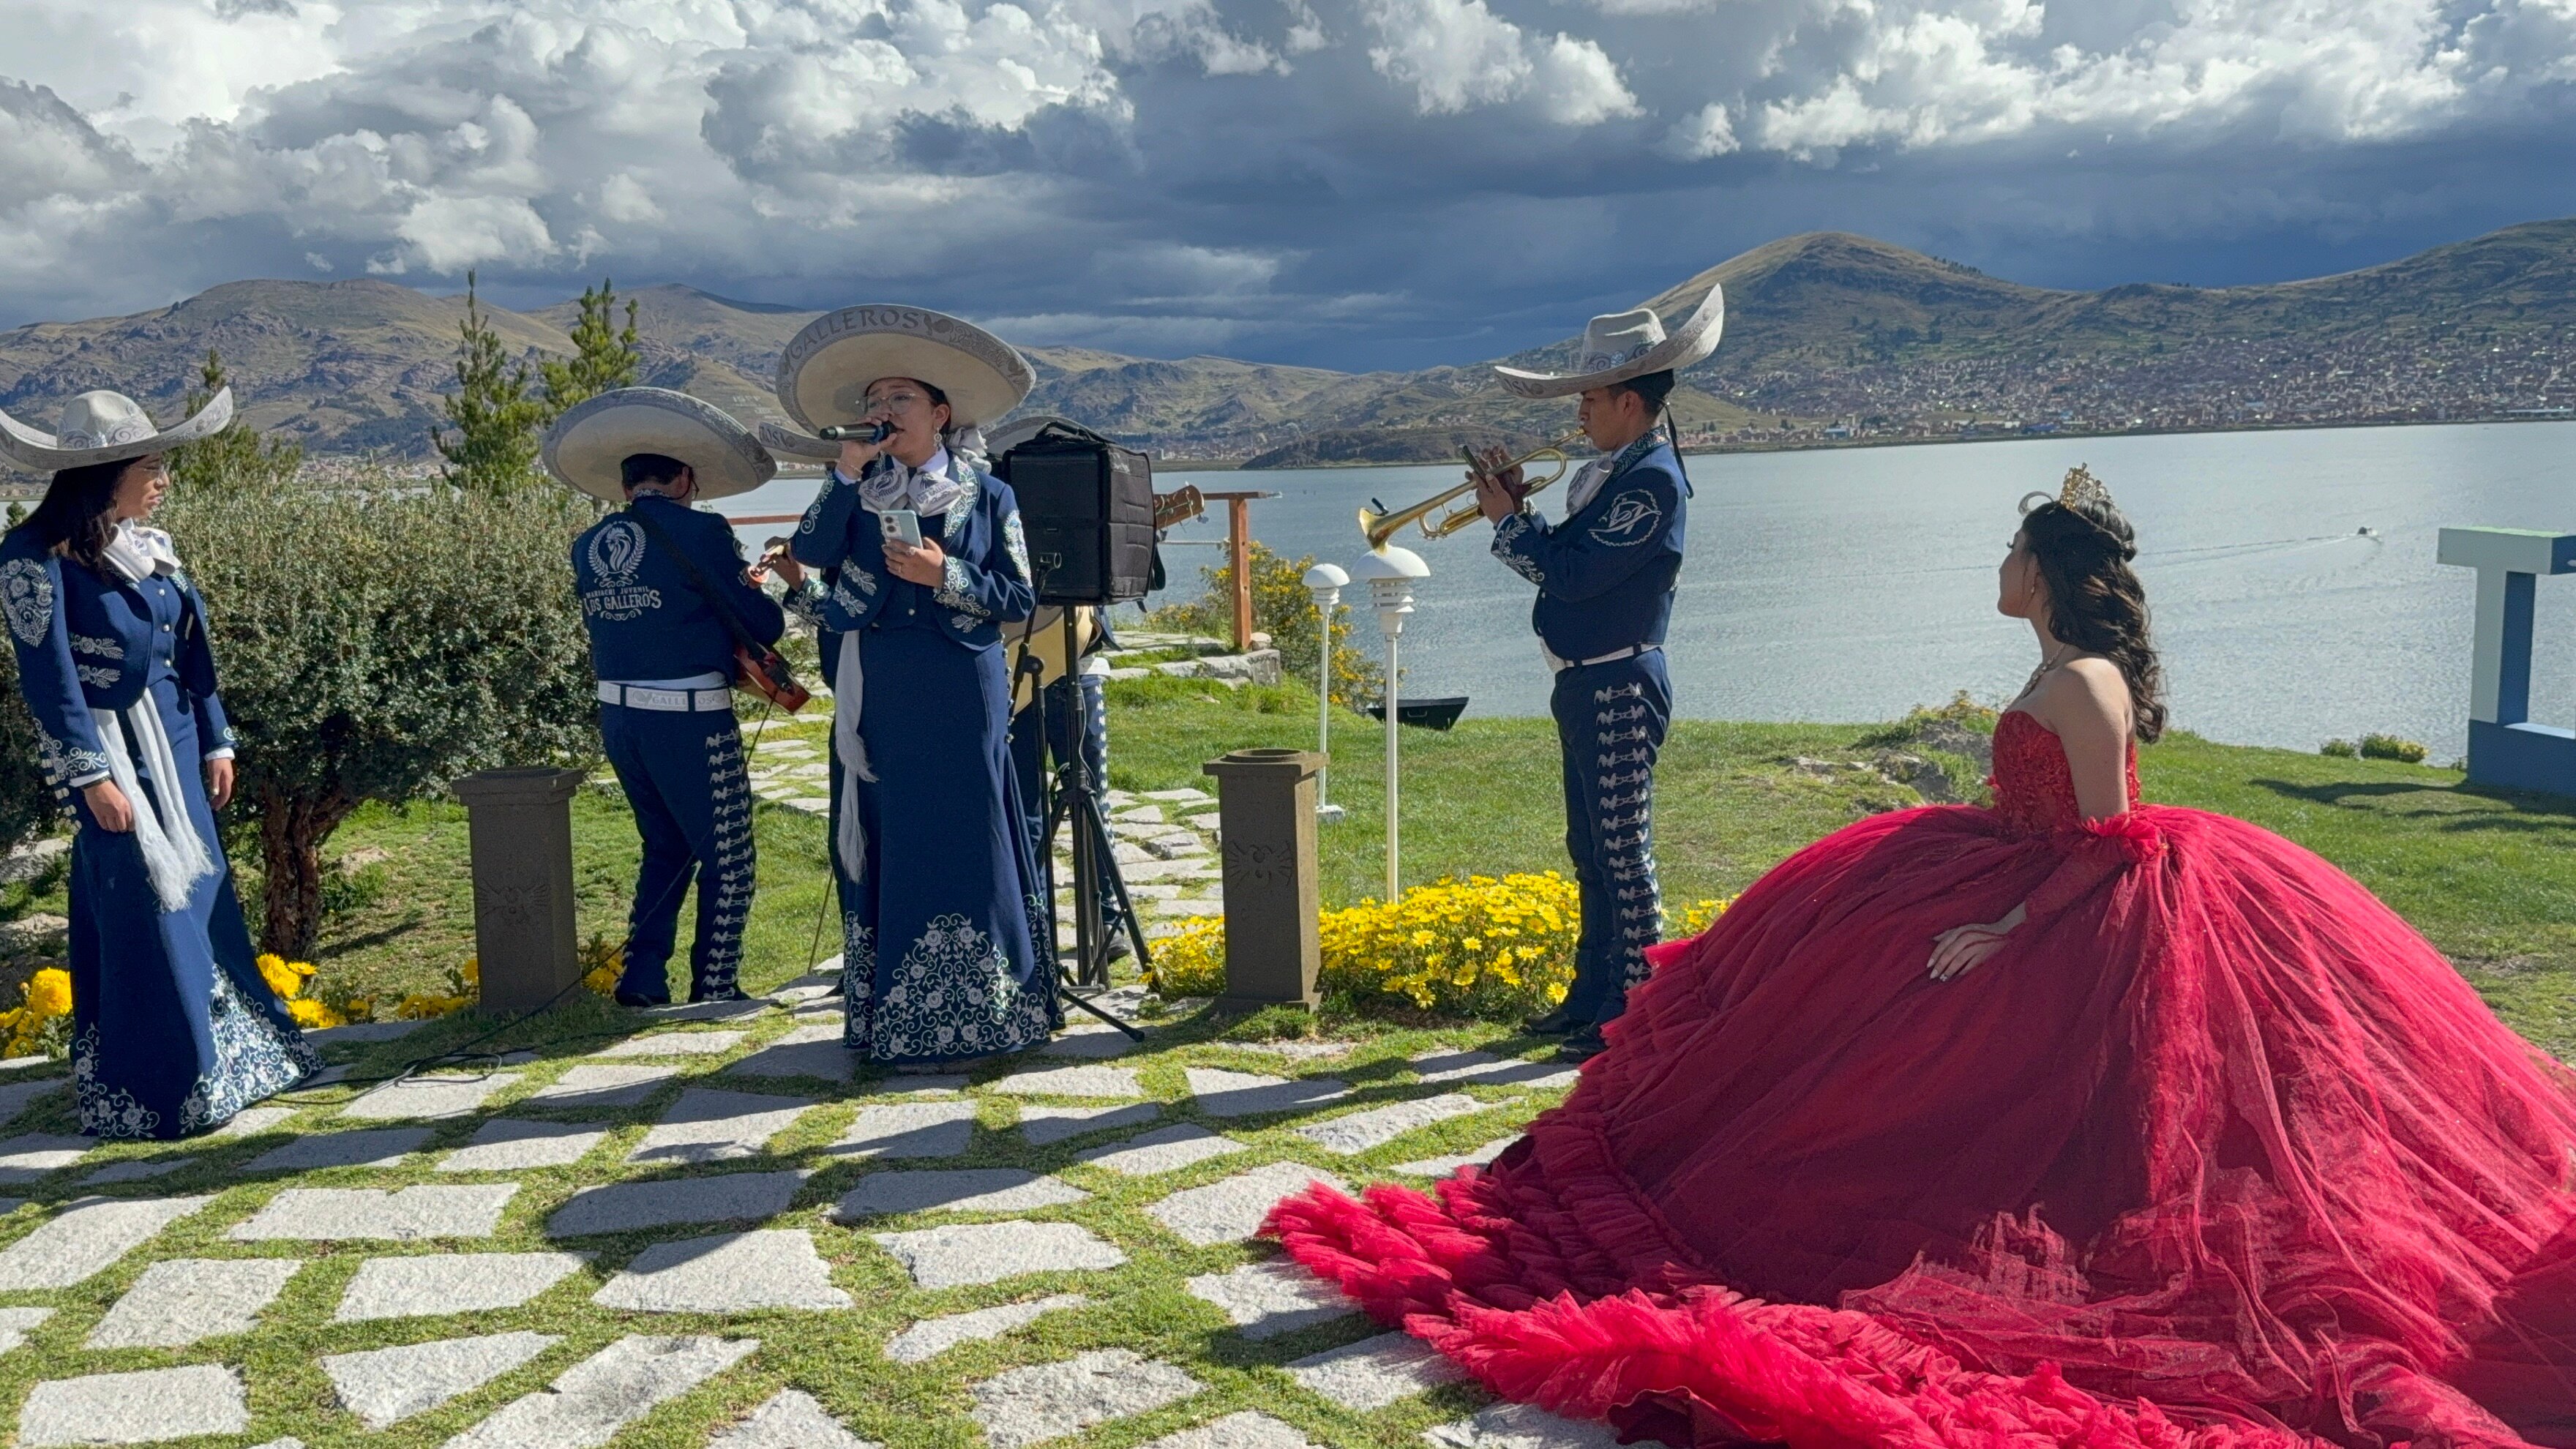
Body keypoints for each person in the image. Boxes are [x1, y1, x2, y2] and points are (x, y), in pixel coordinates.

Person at [1268, 467, 2576, 1448]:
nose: (1998, 566)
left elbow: (2110, 841)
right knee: (1810, 1008)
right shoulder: (2077, 664)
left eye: (2012, 551)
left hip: (2050, 899)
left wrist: (2004, 928)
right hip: (2009, 865)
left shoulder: (2079, 684)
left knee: (1941, 1098)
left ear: (2049, 573)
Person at [0, 389, 318, 1137]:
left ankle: (239, 1059)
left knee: (203, 898)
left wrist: (216, 737)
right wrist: (91, 777)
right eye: (152, 464)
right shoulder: (29, 560)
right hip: (113, 757)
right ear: (103, 471)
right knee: (142, 907)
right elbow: (50, 680)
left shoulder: (146, 546)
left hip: (174, 748)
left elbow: (188, 654)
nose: (164, 478)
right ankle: (162, 1086)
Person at [779, 305, 1060, 1067]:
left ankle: (993, 1011)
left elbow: (1018, 598)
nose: (881, 412)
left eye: (899, 398)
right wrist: (841, 476)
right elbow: (807, 550)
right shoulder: (856, 487)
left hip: (960, 685)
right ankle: (894, 1020)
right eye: (873, 401)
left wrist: (948, 575)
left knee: (970, 834)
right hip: (879, 689)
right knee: (891, 834)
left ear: (939, 413)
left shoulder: (989, 495)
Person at [1472, 287, 1722, 1062]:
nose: (1578, 410)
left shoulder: (1650, 482)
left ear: (1626, 400)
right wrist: (1520, 514)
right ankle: (1592, 995)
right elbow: (1574, 563)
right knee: (1591, 846)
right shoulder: (1619, 472)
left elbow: (1575, 578)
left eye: (1587, 396)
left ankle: (1636, 1012)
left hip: (1616, 682)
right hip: (1588, 681)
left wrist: (1507, 523)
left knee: (1622, 848)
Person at [546, 388, 785, 1007]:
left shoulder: (588, 544)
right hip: (690, 718)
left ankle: (643, 976)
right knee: (729, 856)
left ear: (626, 490)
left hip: (620, 715)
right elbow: (763, 625)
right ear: (683, 479)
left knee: (665, 847)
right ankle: (715, 985)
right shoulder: (703, 531)